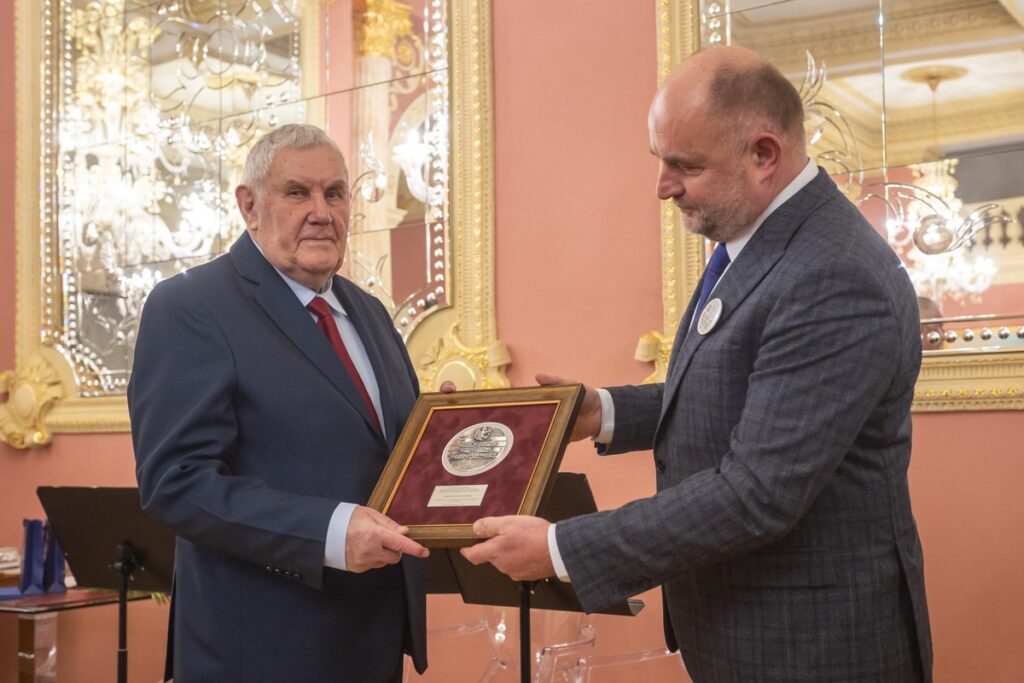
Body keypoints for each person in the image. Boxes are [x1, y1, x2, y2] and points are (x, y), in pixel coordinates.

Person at [462, 47, 933, 682]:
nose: (662, 185)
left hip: (812, 649)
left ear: (764, 155)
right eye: (659, 159)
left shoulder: (832, 273)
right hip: (745, 635)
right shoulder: (759, 242)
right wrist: (603, 411)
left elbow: (756, 494)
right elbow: (736, 391)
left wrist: (558, 547)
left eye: (684, 165)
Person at [128, 124, 430, 682]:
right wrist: (331, 532)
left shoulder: (368, 313)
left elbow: (381, 452)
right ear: (249, 205)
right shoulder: (191, 305)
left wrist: (447, 436)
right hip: (258, 650)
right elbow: (177, 481)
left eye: (334, 193)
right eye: (297, 193)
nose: (321, 211)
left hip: (373, 639)